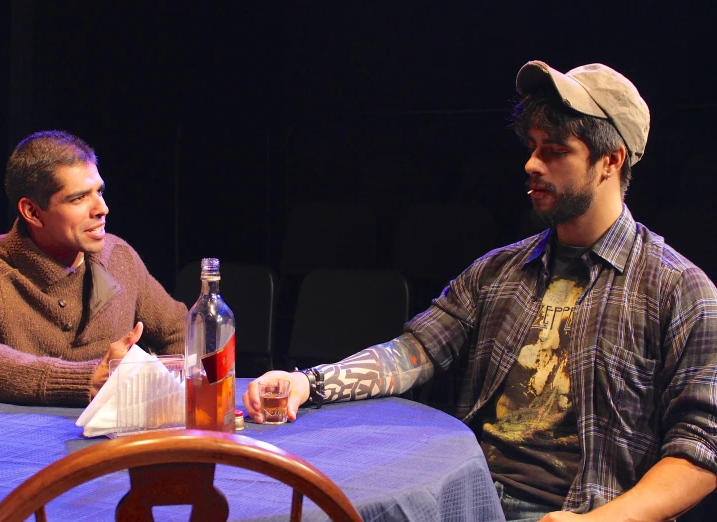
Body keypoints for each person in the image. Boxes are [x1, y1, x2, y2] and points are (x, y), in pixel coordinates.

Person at [244, 61, 717, 521]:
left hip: (579, 509)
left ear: (610, 160)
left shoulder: (679, 290)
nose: (531, 163)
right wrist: (310, 382)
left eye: (554, 150)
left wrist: (608, 520)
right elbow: (413, 352)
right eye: (531, 146)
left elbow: (701, 448)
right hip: (467, 492)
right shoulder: (499, 270)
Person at [0, 130, 187, 406]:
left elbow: (184, 334)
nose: (102, 208)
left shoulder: (119, 258)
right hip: (16, 443)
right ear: (32, 212)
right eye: (78, 198)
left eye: (99, 191)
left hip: (113, 440)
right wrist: (84, 379)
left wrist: (164, 394)